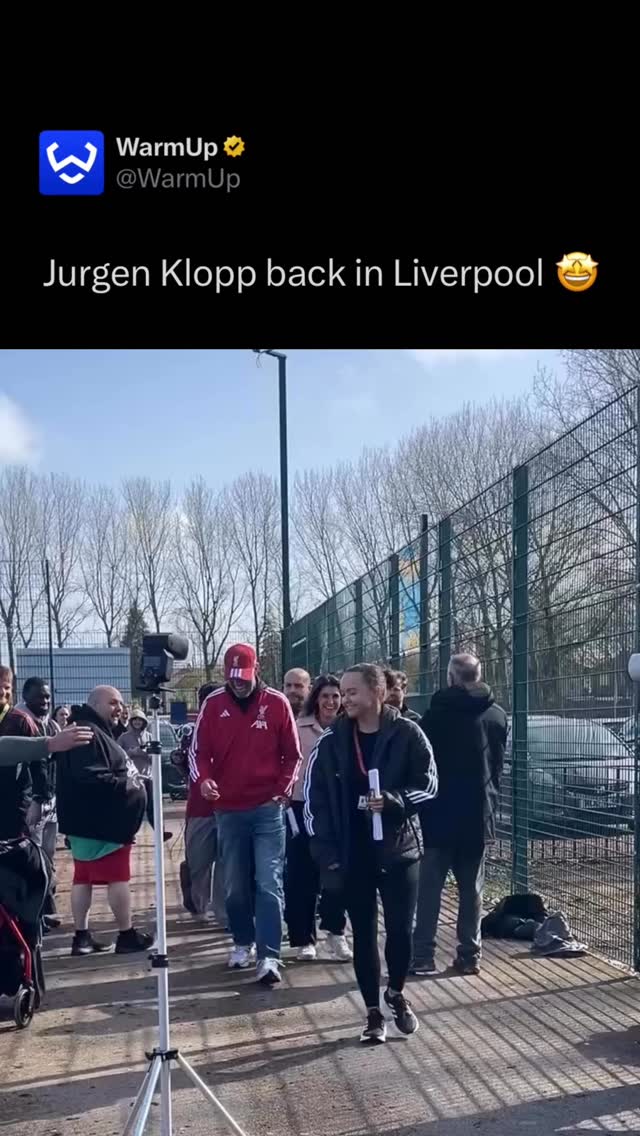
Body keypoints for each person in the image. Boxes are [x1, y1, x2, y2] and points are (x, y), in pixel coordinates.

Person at [304, 663, 438, 1044]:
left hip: (399, 852)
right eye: (341, 693)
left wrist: (394, 802)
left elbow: (429, 785)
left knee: (399, 931)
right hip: (354, 854)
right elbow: (313, 800)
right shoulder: (331, 742)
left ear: (376, 693)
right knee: (363, 933)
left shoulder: (408, 733)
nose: (343, 699)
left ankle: (395, 993)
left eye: (351, 692)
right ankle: (372, 1013)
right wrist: (326, 850)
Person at [189, 643, 302, 986]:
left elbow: (293, 755)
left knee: (268, 881)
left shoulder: (277, 703)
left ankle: (269, 956)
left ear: (256, 672)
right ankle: (242, 940)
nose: (239, 683)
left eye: (245, 677)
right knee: (236, 883)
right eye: (233, 677)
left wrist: (283, 789)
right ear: (226, 674)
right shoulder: (213, 704)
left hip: (267, 808)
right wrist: (204, 780)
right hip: (228, 809)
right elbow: (199, 751)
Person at [411, 653, 507, 977]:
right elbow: (497, 767)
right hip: (478, 813)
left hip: (439, 812)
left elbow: (423, 766)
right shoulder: (496, 714)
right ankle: (470, 954)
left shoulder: (435, 715)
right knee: (472, 888)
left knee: (429, 888)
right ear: (479, 674)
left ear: (451, 677)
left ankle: (423, 954)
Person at [57, 686, 152, 956]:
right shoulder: (86, 733)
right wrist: (127, 785)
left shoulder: (86, 730)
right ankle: (126, 934)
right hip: (102, 824)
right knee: (117, 878)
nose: (119, 709)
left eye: (121, 703)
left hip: (87, 823)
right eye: (113, 703)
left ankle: (82, 937)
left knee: (82, 879)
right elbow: (90, 777)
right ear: (95, 704)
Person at [284, 674, 352, 962]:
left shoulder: (349, 729)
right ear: (316, 698)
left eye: (336, 696)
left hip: (338, 811)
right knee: (301, 875)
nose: (331, 701)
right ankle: (304, 939)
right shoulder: (298, 727)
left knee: (337, 875)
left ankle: (336, 934)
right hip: (300, 808)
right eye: (325, 696)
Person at [181, 683, 227, 925]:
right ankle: (197, 901)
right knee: (198, 861)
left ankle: (224, 914)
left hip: (229, 806)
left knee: (225, 861)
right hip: (200, 807)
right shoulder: (192, 731)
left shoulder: (233, 724)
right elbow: (187, 763)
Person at [119, 707, 172, 842]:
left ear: (144, 722)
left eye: (140, 720)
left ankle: (160, 832)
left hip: (148, 777)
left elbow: (155, 757)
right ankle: (129, 833)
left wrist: (148, 753)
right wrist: (134, 751)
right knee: (134, 808)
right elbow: (119, 755)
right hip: (133, 779)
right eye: (134, 720)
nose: (137, 722)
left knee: (153, 807)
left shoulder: (149, 737)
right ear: (131, 722)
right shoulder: (124, 737)